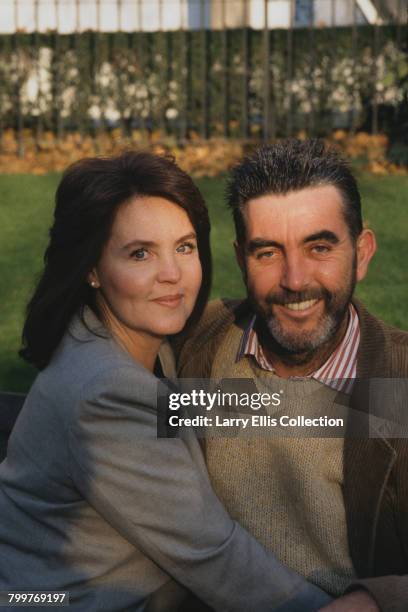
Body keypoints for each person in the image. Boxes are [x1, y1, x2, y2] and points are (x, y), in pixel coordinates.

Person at [0, 151, 332, 611]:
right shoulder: (106, 391)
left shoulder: (137, 345)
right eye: (140, 253)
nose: (172, 275)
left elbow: (220, 407)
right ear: (92, 270)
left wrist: (375, 404)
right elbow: (215, 555)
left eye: (184, 246)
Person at [177, 140, 408, 612]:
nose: (295, 280)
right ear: (241, 259)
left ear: (361, 253)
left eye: (319, 246)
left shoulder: (398, 384)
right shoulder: (198, 343)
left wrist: (379, 599)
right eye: (267, 253)